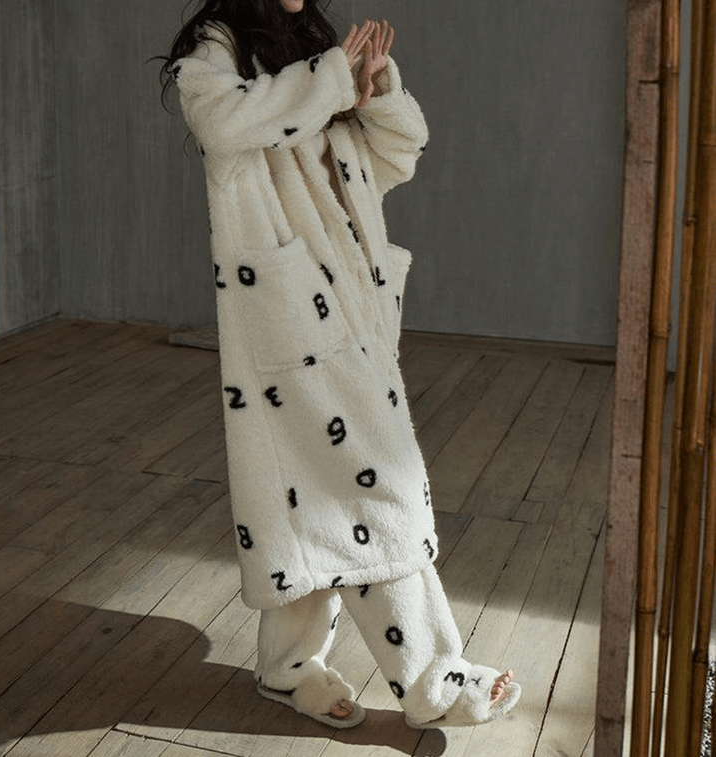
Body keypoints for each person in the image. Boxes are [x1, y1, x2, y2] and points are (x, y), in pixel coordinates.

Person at [162, 0, 521, 730]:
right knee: (375, 483)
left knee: (308, 486)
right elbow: (223, 123)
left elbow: (395, 159)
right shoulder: (215, 47)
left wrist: (373, 90)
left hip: (350, 301)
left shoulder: (314, 47)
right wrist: (328, 81)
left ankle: (287, 667)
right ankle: (434, 680)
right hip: (288, 309)